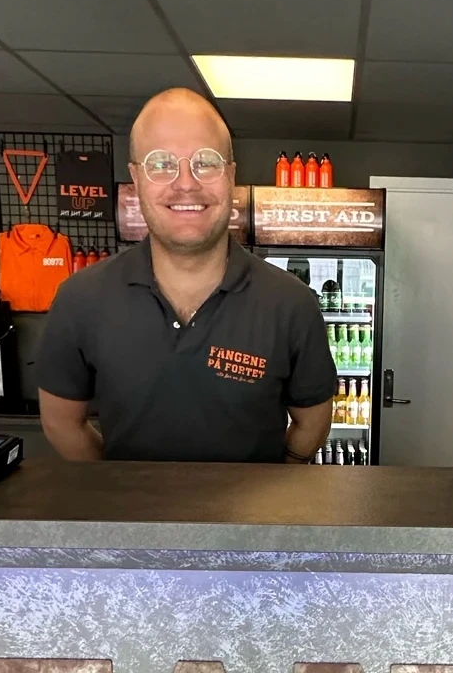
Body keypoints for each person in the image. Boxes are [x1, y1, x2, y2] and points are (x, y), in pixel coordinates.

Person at [36, 88, 337, 462]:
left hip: (256, 520)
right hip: (130, 519)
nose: (185, 183)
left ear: (230, 174)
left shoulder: (292, 303)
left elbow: (313, 422)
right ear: (135, 178)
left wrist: (279, 478)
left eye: (205, 162)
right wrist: (115, 491)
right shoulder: (80, 299)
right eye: (161, 163)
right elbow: (61, 422)